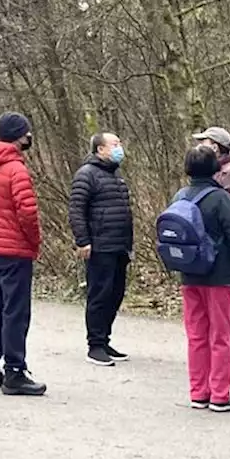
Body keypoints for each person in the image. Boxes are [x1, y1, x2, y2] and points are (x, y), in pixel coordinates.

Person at [171, 145, 230, 412]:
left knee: (196, 335)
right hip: (220, 275)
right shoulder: (220, 198)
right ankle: (220, 394)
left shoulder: (180, 196)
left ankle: (198, 392)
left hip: (189, 274)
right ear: (215, 168)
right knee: (221, 335)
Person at [0, 112, 46, 396]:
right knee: (15, 311)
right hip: (14, 249)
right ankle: (15, 370)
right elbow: (27, 212)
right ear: (20, 136)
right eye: (27, 133)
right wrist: (34, 242)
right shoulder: (16, 169)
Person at [68, 132, 134, 367]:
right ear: (100, 150)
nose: (119, 148)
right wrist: (83, 240)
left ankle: (104, 339)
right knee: (99, 295)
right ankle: (94, 345)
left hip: (119, 246)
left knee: (115, 294)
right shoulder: (86, 175)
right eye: (115, 144)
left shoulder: (115, 175)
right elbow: (76, 210)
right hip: (99, 246)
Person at [193, 126, 230, 377]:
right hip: (213, 249)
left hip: (224, 251)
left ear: (216, 146)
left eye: (204, 142)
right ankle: (227, 354)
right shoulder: (219, 173)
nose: (200, 146)